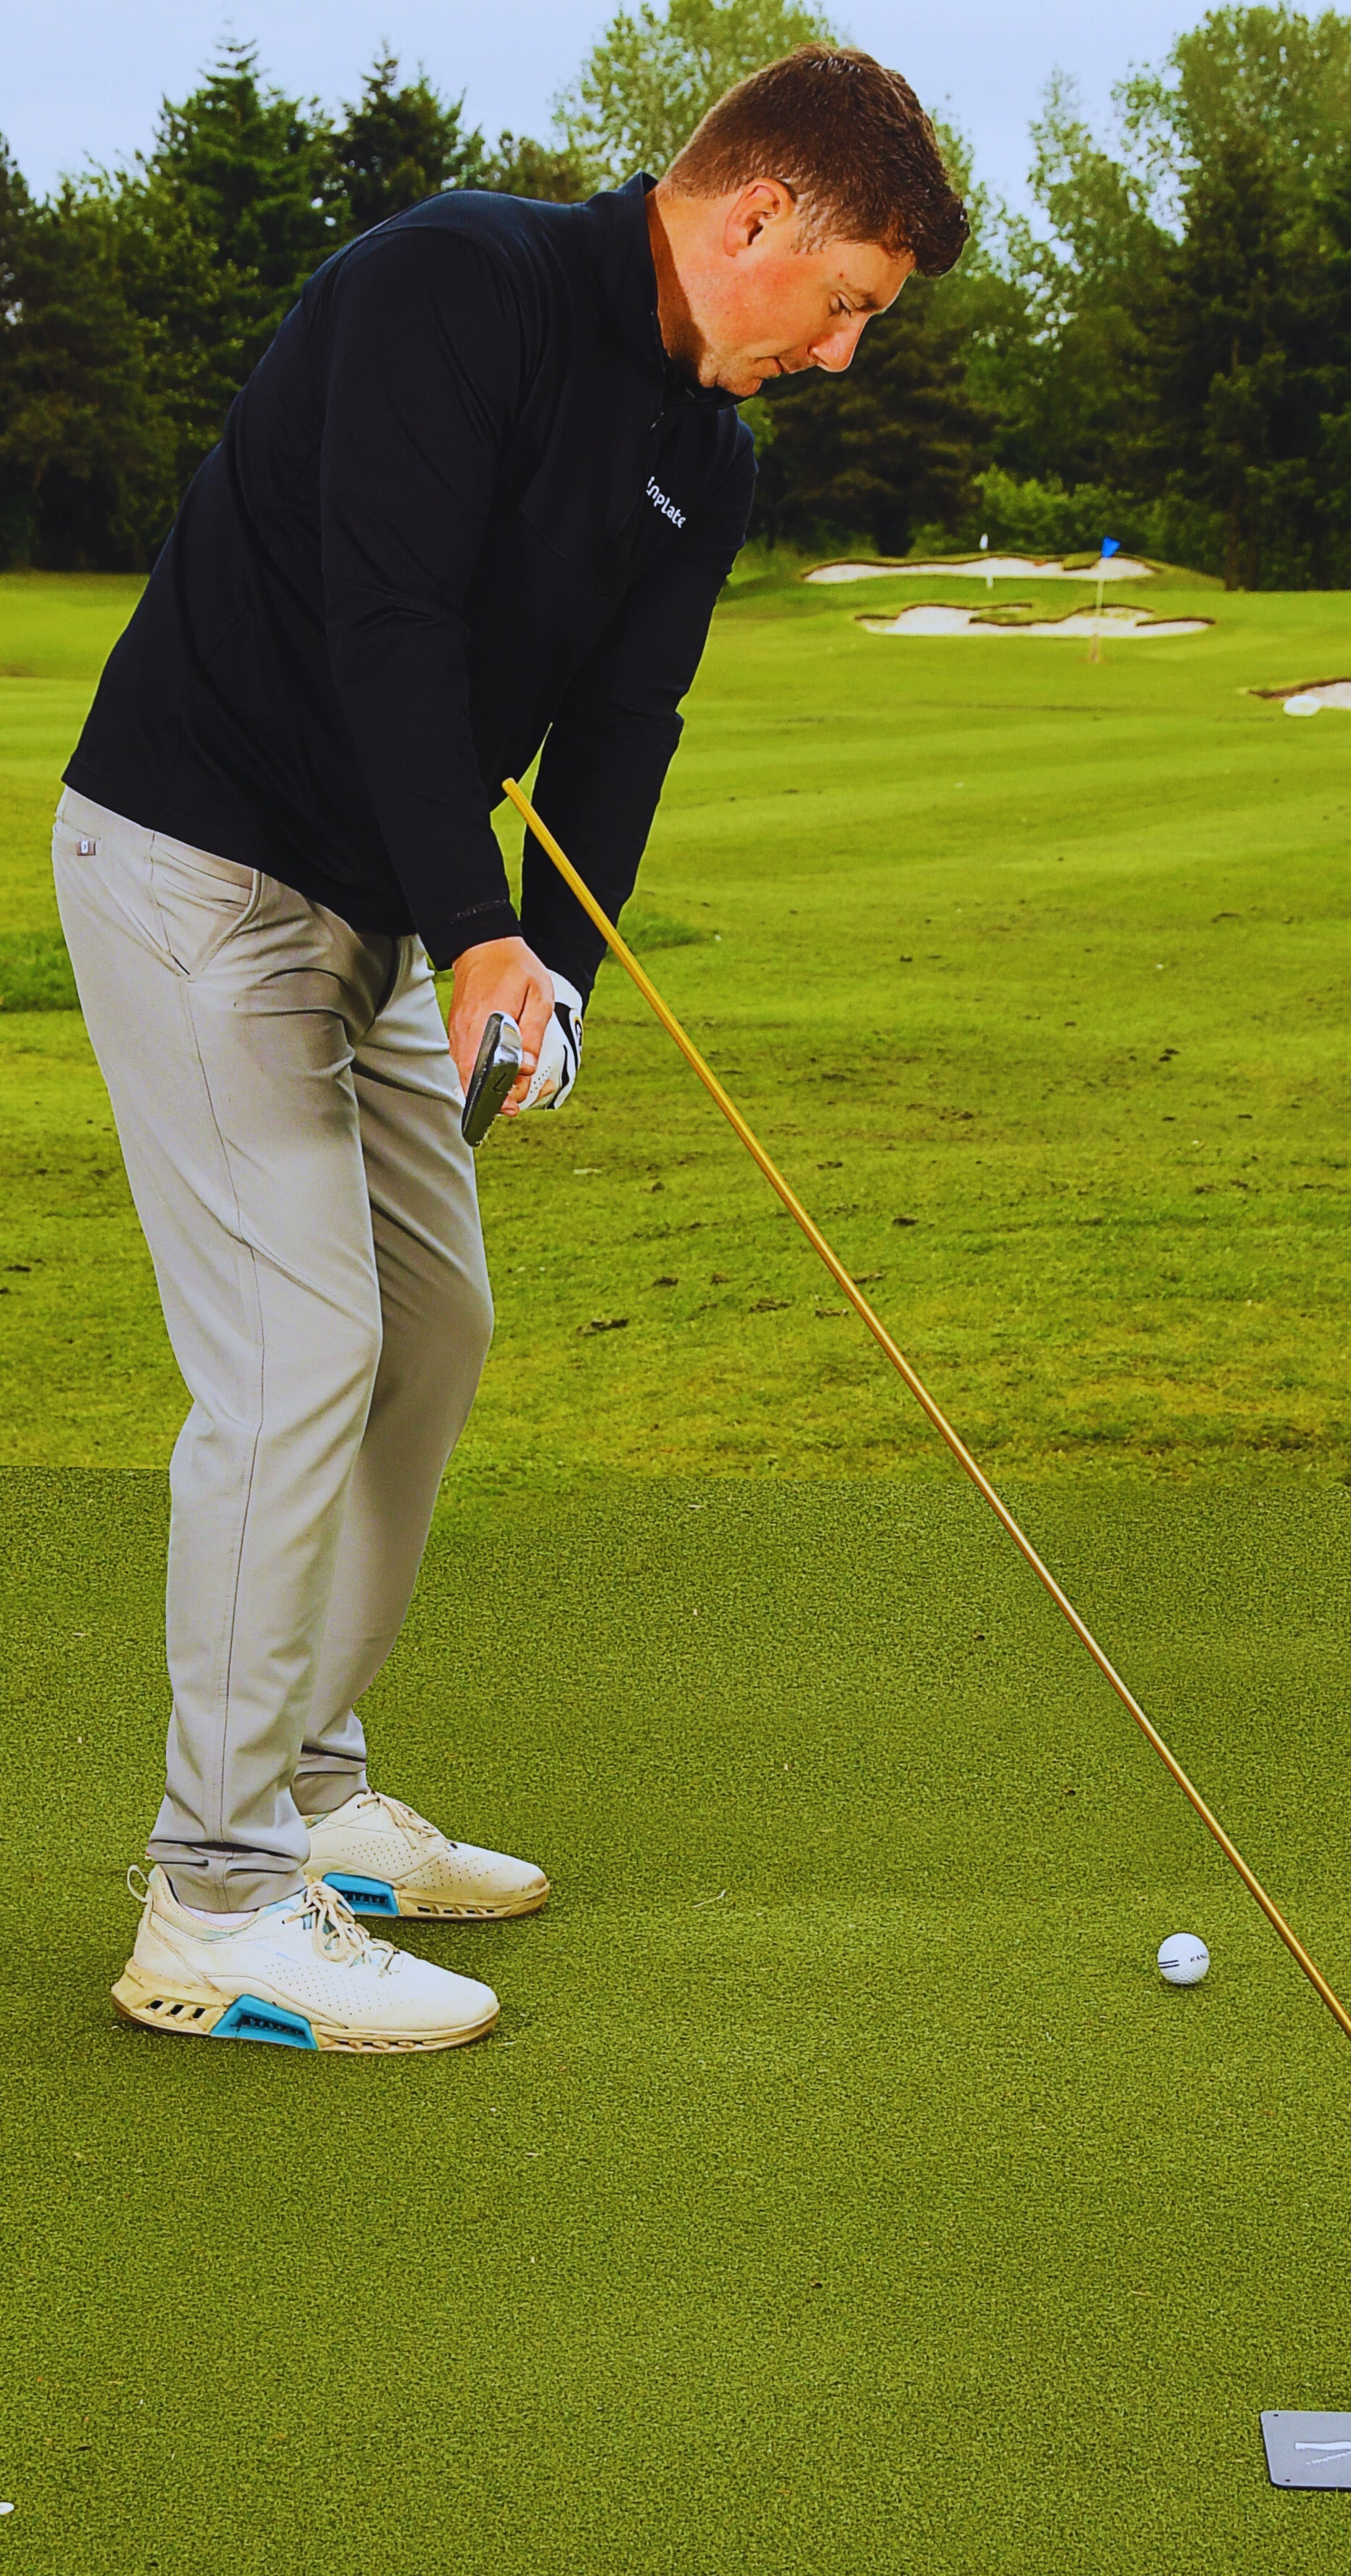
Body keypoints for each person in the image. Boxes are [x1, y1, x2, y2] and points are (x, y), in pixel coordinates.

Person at [54, 46, 969, 2054]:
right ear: (753, 216)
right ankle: (214, 1898)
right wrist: (475, 933)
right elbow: (385, 625)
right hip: (198, 866)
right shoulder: (452, 289)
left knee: (435, 1326)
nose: (839, 354)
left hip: (374, 908)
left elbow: (620, 729)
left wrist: (545, 974)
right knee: (299, 1353)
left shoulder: (707, 451)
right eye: (842, 304)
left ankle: (308, 1786)